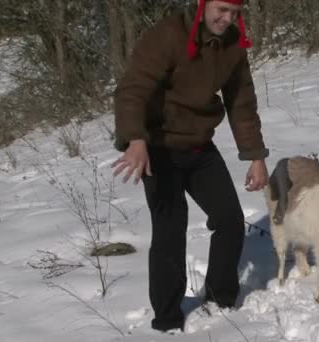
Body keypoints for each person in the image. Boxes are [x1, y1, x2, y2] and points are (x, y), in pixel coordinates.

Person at [111, 0, 269, 333]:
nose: (227, 19)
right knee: (170, 231)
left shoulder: (233, 45)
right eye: (222, 9)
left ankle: (222, 299)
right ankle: (167, 320)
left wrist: (255, 155)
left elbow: (241, 100)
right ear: (202, 3)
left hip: (199, 148)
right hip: (159, 148)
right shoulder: (168, 35)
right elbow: (132, 89)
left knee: (229, 220)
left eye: (235, 13)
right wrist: (135, 139)